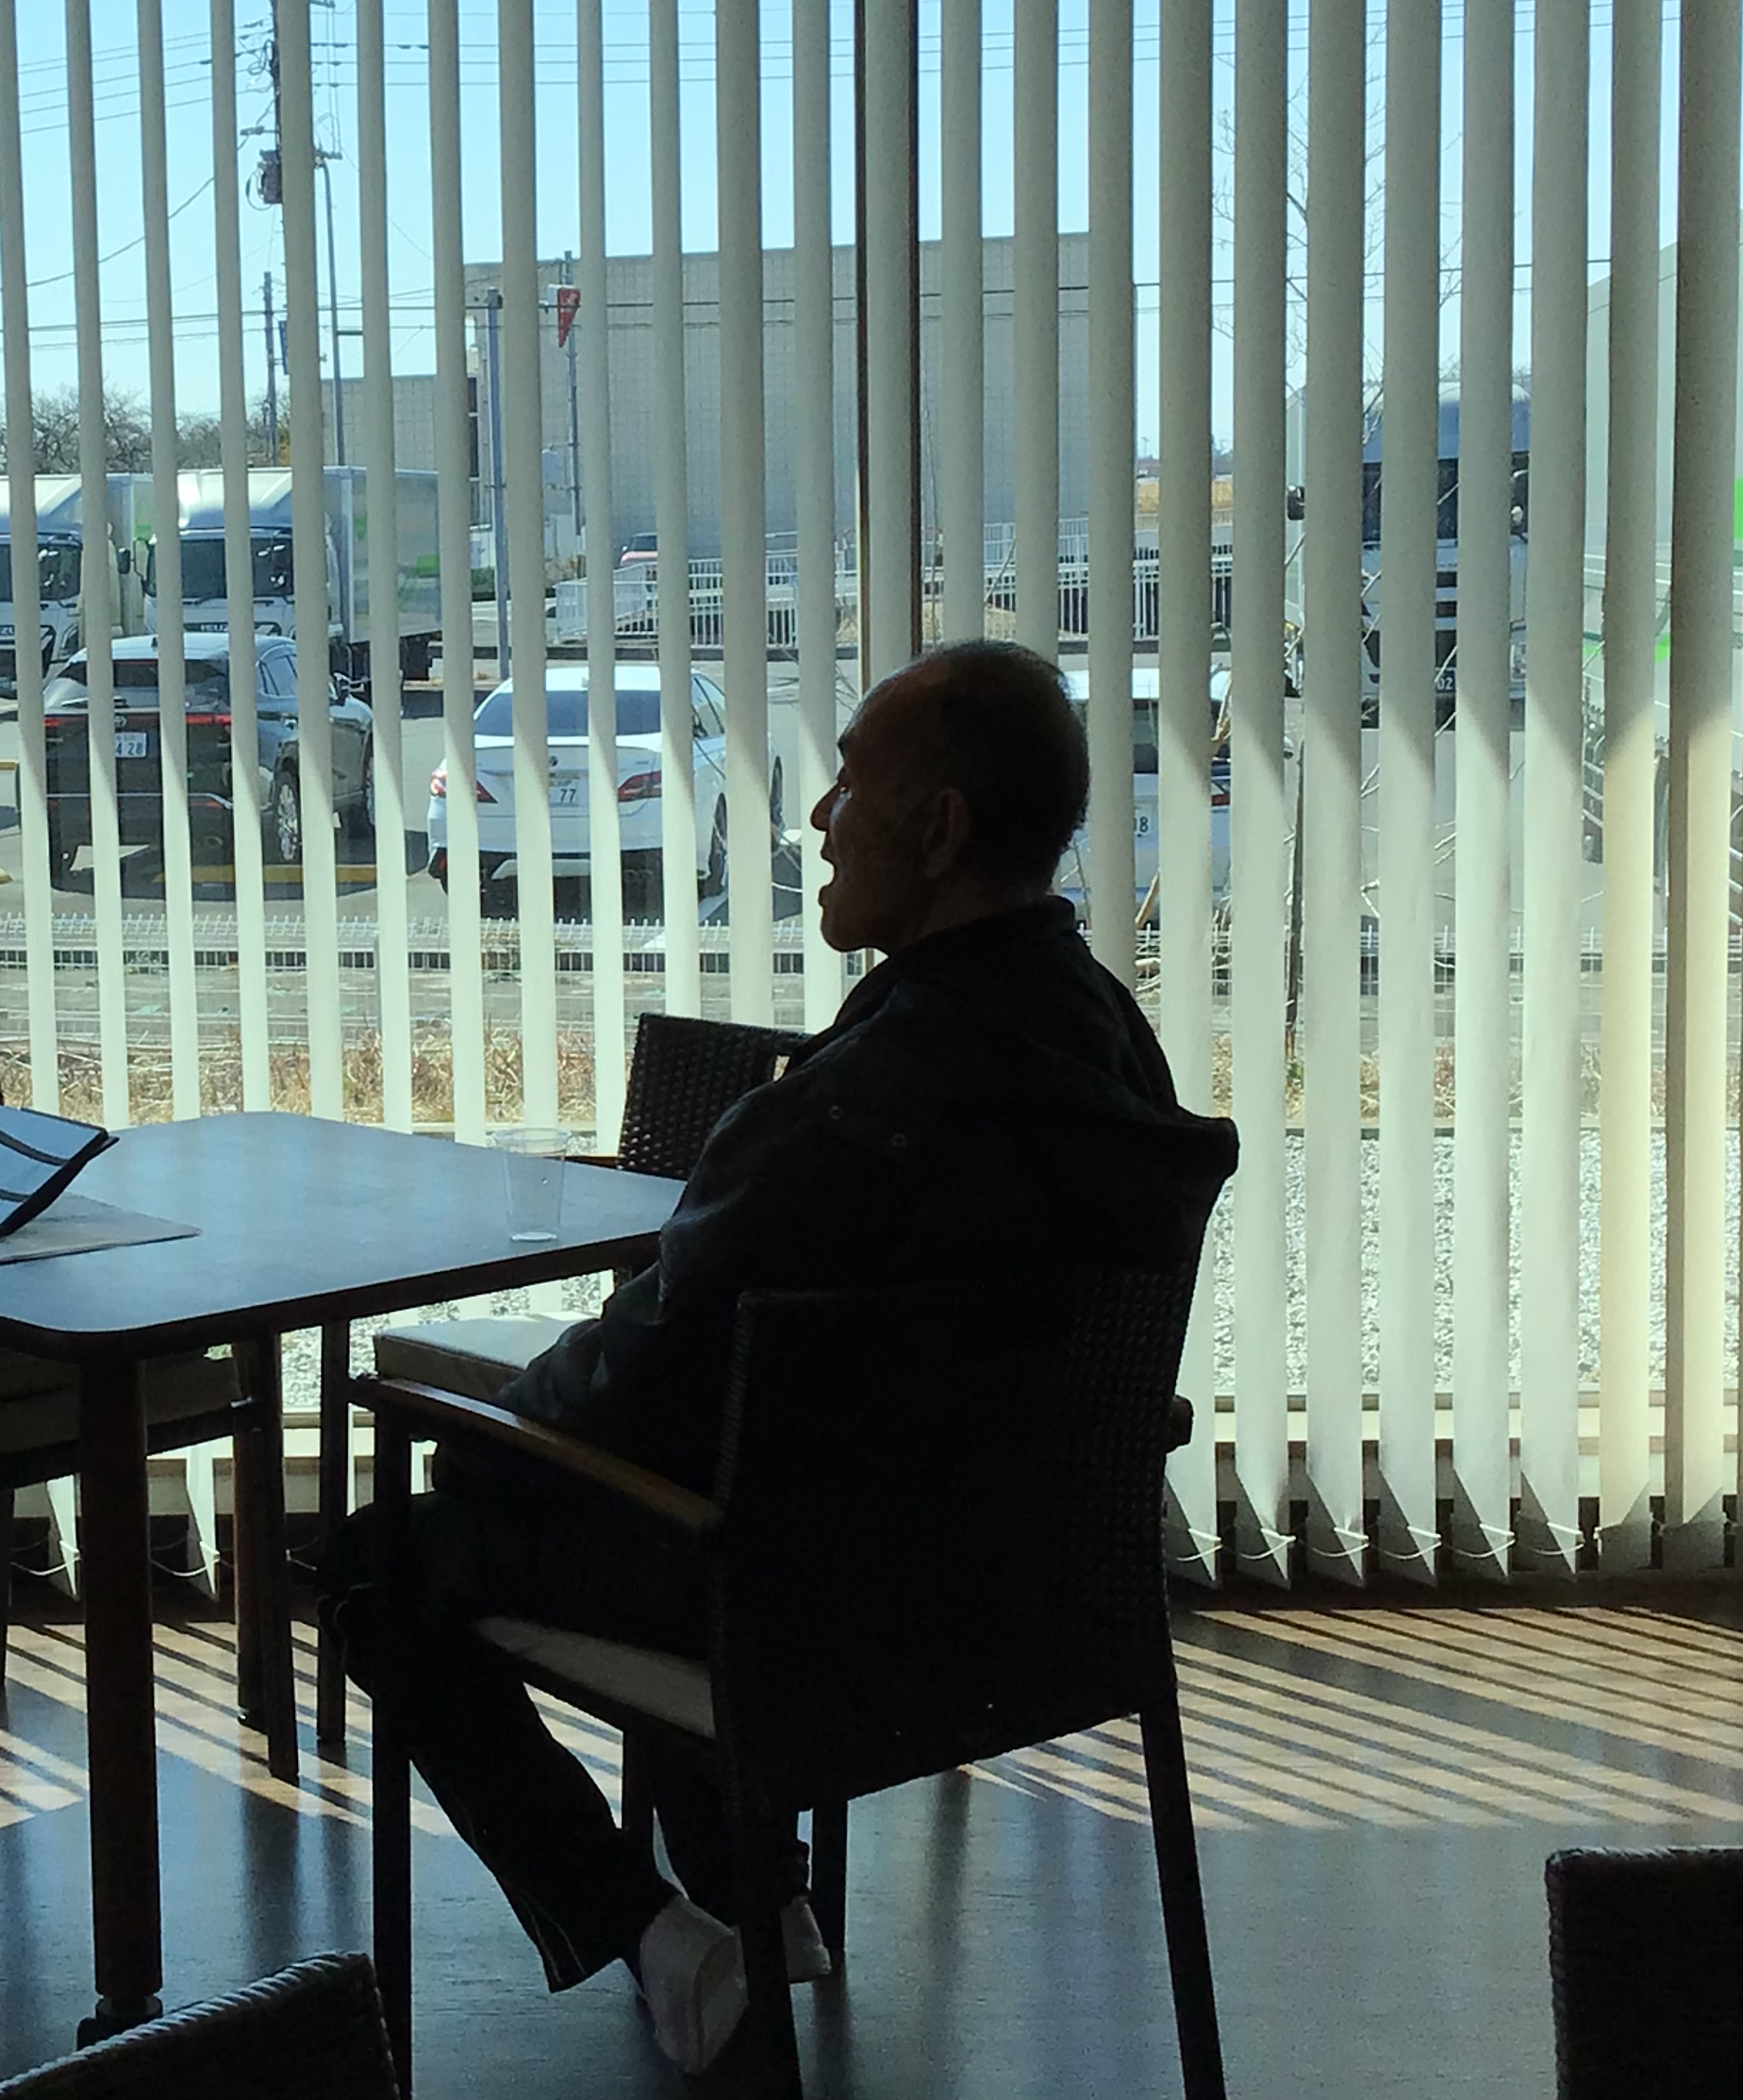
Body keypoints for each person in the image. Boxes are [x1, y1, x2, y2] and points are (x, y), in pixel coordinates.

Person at [324, 639, 1238, 2076]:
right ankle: (768, 1899)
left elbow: (636, 1388)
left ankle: (662, 1940)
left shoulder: (845, 1117)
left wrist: (490, 1429)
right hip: (1034, 1600)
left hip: (820, 1627)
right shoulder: (1106, 1043)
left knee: (380, 1561)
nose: (817, 818)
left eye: (849, 784)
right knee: (746, 1472)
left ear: (938, 830)